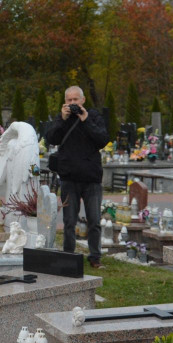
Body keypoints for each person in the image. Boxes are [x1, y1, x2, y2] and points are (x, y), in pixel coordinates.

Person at [45, 86, 109, 268]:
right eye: (69, 100)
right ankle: (68, 255)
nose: (73, 104)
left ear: (82, 100)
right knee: (69, 221)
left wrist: (86, 120)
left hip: (91, 178)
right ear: (65, 101)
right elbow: (51, 138)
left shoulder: (94, 116)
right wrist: (62, 119)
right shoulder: (62, 118)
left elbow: (103, 139)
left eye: (76, 100)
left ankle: (95, 257)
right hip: (69, 177)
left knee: (94, 221)